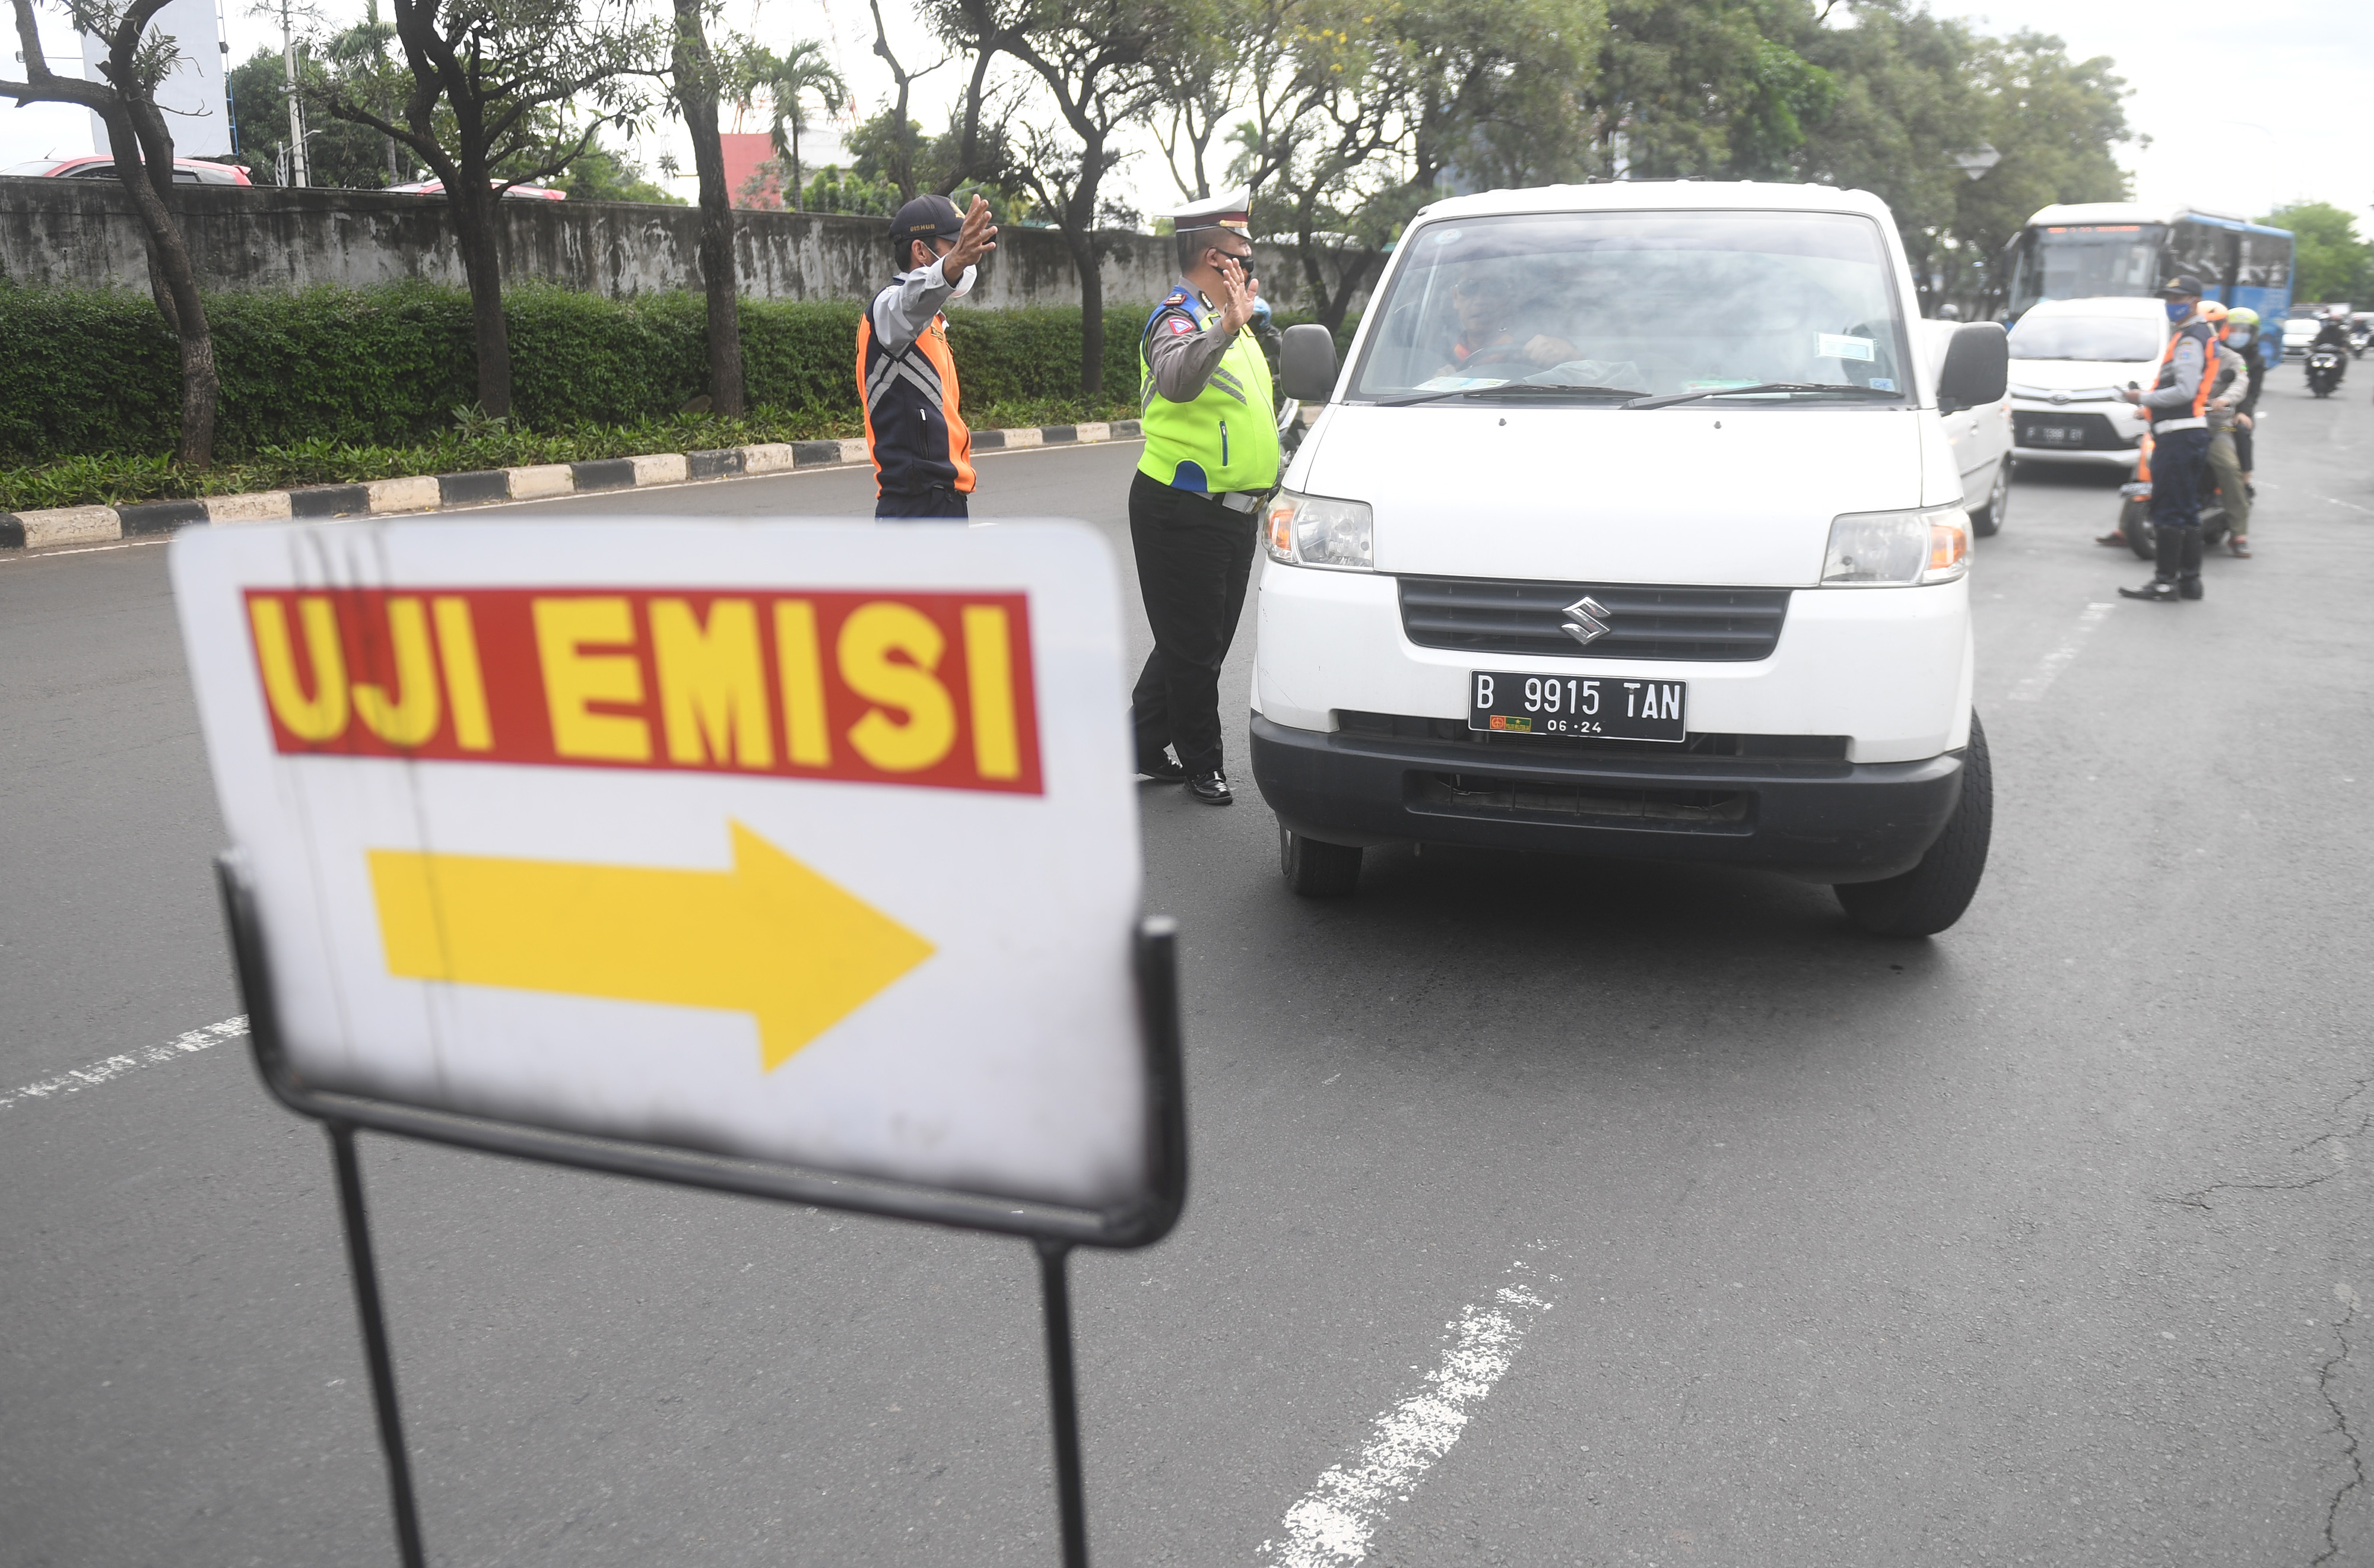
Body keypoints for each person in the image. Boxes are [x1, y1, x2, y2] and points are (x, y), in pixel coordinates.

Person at [1128, 189, 1280, 804]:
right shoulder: (1178, 319)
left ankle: (1135, 741)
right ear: (1214, 257)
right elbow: (1175, 378)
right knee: (1195, 651)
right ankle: (1203, 761)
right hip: (1180, 510)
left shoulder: (1237, 319)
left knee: (1197, 642)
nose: (1249, 264)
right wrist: (1224, 326)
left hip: (1234, 515)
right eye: (1241, 253)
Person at [858, 192, 998, 520]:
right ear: (921, 251)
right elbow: (911, 300)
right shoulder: (889, 309)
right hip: (914, 501)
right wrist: (951, 267)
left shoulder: (931, 320)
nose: (967, 257)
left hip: (942, 499)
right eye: (955, 244)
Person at [2118, 275, 2219, 602]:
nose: (2170, 305)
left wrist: (2141, 399)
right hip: (2188, 434)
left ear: (2192, 301)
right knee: (2187, 510)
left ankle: (2165, 583)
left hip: (2179, 435)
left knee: (2168, 510)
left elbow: (2185, 391)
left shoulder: (2191, 338)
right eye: (2168, 299)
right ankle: (2190, 583)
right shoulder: (2196, 334)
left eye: (2177, 299)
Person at [1432, 268, 1576, 378]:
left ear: (1507, 299)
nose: (1481, 300)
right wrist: (1435, 386)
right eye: (1469, 288)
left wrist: (1571, 355)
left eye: (1494, 288)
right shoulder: (1433, 353)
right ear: (1455, 297)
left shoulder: (1539, 349)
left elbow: (1591, 378)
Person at [2197, 302, 2254, 557]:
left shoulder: (2233, 359)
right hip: (2177, 424)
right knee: (2145, 458)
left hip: (2215, 427)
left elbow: (2240, 384)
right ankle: (2125, 527)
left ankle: (2238, 533)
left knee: (2230, 468)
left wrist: (2226, 400)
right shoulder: (2181, 353)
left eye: (2213, 326)